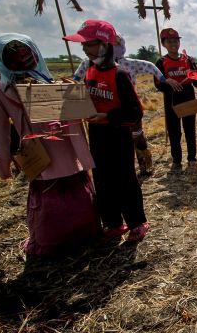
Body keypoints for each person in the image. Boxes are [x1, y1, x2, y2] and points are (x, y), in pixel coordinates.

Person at [0, 33, 101, 256]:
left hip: (41, 155)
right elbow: (78, 121)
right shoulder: (50, 85)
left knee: (50, 199)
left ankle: (53, 241)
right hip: (66, 153)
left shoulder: (5, 91)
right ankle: (85, 233)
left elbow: (0, 135)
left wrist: (4, 165)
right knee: (75, 193)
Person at [64, 20, 149, 243]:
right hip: (96, 133)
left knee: (125, 178)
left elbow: (135, 111)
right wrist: (73, 95)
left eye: (89, 44)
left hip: (118, 134)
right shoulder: (90, 71)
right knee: (102, 179)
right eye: (83, 45)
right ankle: (112, 222)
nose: (85, 49)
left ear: (104, 44)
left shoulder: (119, 75)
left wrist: (109, 116)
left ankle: (137, 223)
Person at [73, 33, 182, 174]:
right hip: (100, 113)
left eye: (118, 44)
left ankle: (144, 164)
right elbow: (75, 80)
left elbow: (150, 67)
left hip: (128, 108)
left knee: (137, 136)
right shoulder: (89, 64)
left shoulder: (129, 64)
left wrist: (163, 79)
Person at [155, 28, 197, 170]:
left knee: (190, 129)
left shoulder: (188, 60)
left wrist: (194, 73)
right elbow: (158, 84)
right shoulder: (161, 62)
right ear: (163, 44)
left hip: (188, 96)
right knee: (174, 131)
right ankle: (176, 160)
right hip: (172, 98)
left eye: (176, 40)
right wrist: (168, 82)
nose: (174, 44)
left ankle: (192, 158)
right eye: (169, 41)